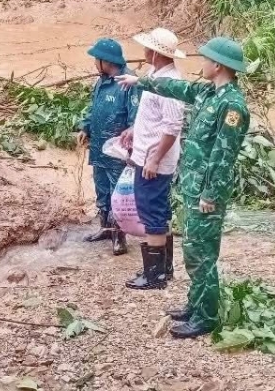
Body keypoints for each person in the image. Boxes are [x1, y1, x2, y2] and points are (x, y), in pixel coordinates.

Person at [116, 36, 251, 338]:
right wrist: (139, 81)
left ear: (217, 65)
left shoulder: (232, 106)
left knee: (203, 255)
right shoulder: (208, 92)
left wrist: (210, 195)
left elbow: (223, 155)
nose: (200, 64)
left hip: (206, 193)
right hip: (192, 186)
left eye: (205, 60)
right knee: (193, 250)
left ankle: (206, 317)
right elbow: (177, 88)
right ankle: (195, 303)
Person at [121, 28, 187, 291]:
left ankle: (154, 275)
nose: (144, 51)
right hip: (147, 153)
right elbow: (151, 116)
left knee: (152, 213)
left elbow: (172, 127)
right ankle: (163, 269)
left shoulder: (170, 85)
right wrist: (134, 130)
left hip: (154, 160)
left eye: (148, 47)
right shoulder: (154, 77)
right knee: (157, 210)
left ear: (156, 53)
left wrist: (155, 159)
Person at [77, 38, 139, 256]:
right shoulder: (101, 82)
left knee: (117, 194)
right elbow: (94, 108)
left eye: (96, 59)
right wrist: (85, 127)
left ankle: (119, 236)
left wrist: (131, 136)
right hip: (99, 148)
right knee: (101, 188)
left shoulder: (127, 82)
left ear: (106, 61)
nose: (94, 63)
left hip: (116, 151)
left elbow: (136, 118)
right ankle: (105, 228)